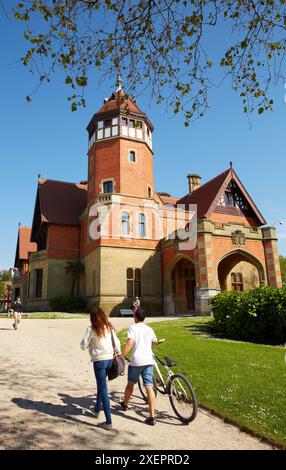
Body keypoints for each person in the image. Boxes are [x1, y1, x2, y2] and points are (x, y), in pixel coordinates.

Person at [80, 306, 121, 430]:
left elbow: (83, 345)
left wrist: (87, 343)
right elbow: (117, 343)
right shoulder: (108, 327)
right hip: (109, 360)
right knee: (101, 384)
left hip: (99, 361)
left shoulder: (91, 329)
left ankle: (108, 421)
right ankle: (97, 410)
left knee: (103, 389)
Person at [120, 309, 159, 426]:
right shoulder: (149, 329)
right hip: (148, 360)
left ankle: (125, 404)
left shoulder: (133, 327)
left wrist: (122, 355)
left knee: (131, 384)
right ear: (144, 318)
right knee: (149, 387)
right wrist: (155, 342)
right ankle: (152, 416)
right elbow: (155, 342)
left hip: (137, 361)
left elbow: (130, 343)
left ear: (135, 317)